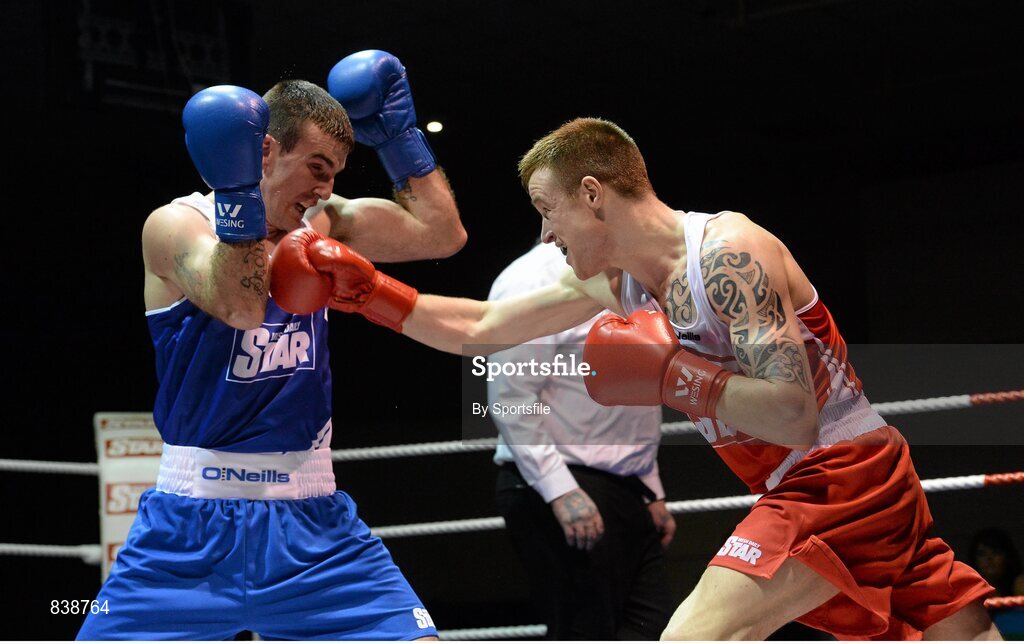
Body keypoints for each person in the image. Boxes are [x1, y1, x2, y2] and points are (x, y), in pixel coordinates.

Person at [271, 117, 1003, 640]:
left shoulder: (727, 252)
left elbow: (794, 414)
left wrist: (670, 375)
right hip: (819, 482)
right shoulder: (621, 286)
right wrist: (368, 294)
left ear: (593, 194)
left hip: (838, 476)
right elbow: (481, 329)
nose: (545, 235)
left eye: (547, 210)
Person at [77, 49, 465, 640]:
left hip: (315, 527)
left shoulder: (321, 223)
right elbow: (239, 303)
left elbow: (442, 234)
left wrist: (400, 140)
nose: (326, 188)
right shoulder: (176, 227)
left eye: (335, 171)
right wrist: (241, 196)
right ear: (263, 150)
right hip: (187, 530)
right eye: (316, 166)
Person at [488, 241, 676, 640]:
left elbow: (636, 390)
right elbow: (511, 397)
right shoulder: (530, 279)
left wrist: (650, 488)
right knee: (586, 633)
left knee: (657, 630)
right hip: (560, 484)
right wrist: (560, 491)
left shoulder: (628, 272)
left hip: (624, 487)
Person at [970, 528, 1024, 638]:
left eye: (996, 552)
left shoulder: (1020, 585)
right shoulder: (968, 592)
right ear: (974, 559)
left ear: (1008, 557)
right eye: (982, 553)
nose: (989, 559)